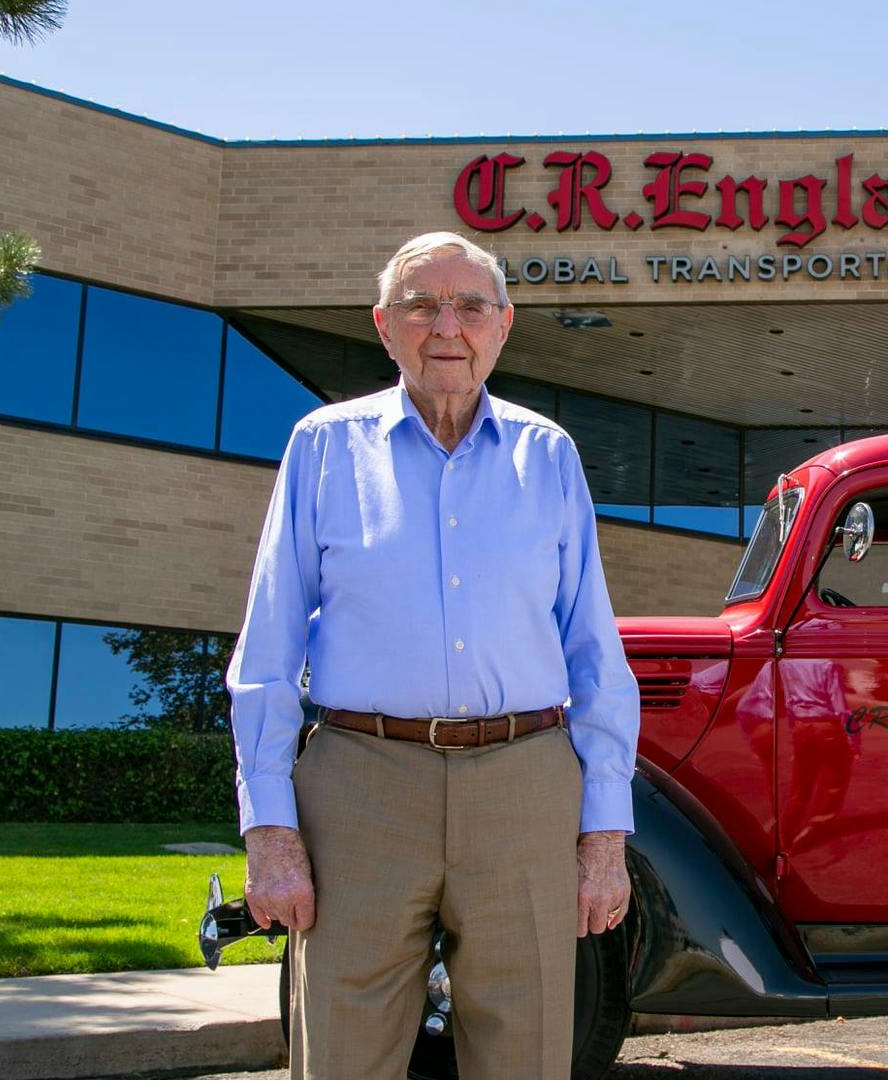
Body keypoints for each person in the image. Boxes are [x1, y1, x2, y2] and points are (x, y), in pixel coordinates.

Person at [224, 232, 639, 1079]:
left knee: (525, 1058)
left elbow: (596, 654)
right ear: (384, 326)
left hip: (524, 782)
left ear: (503, 326)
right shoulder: (323, 446)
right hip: (360, 784)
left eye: (470, 305)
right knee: (340, 1054)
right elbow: (267, 646)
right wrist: (269, 829)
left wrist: (603, 836)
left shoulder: (548, 455)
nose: (446, 325)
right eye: (422, 304)